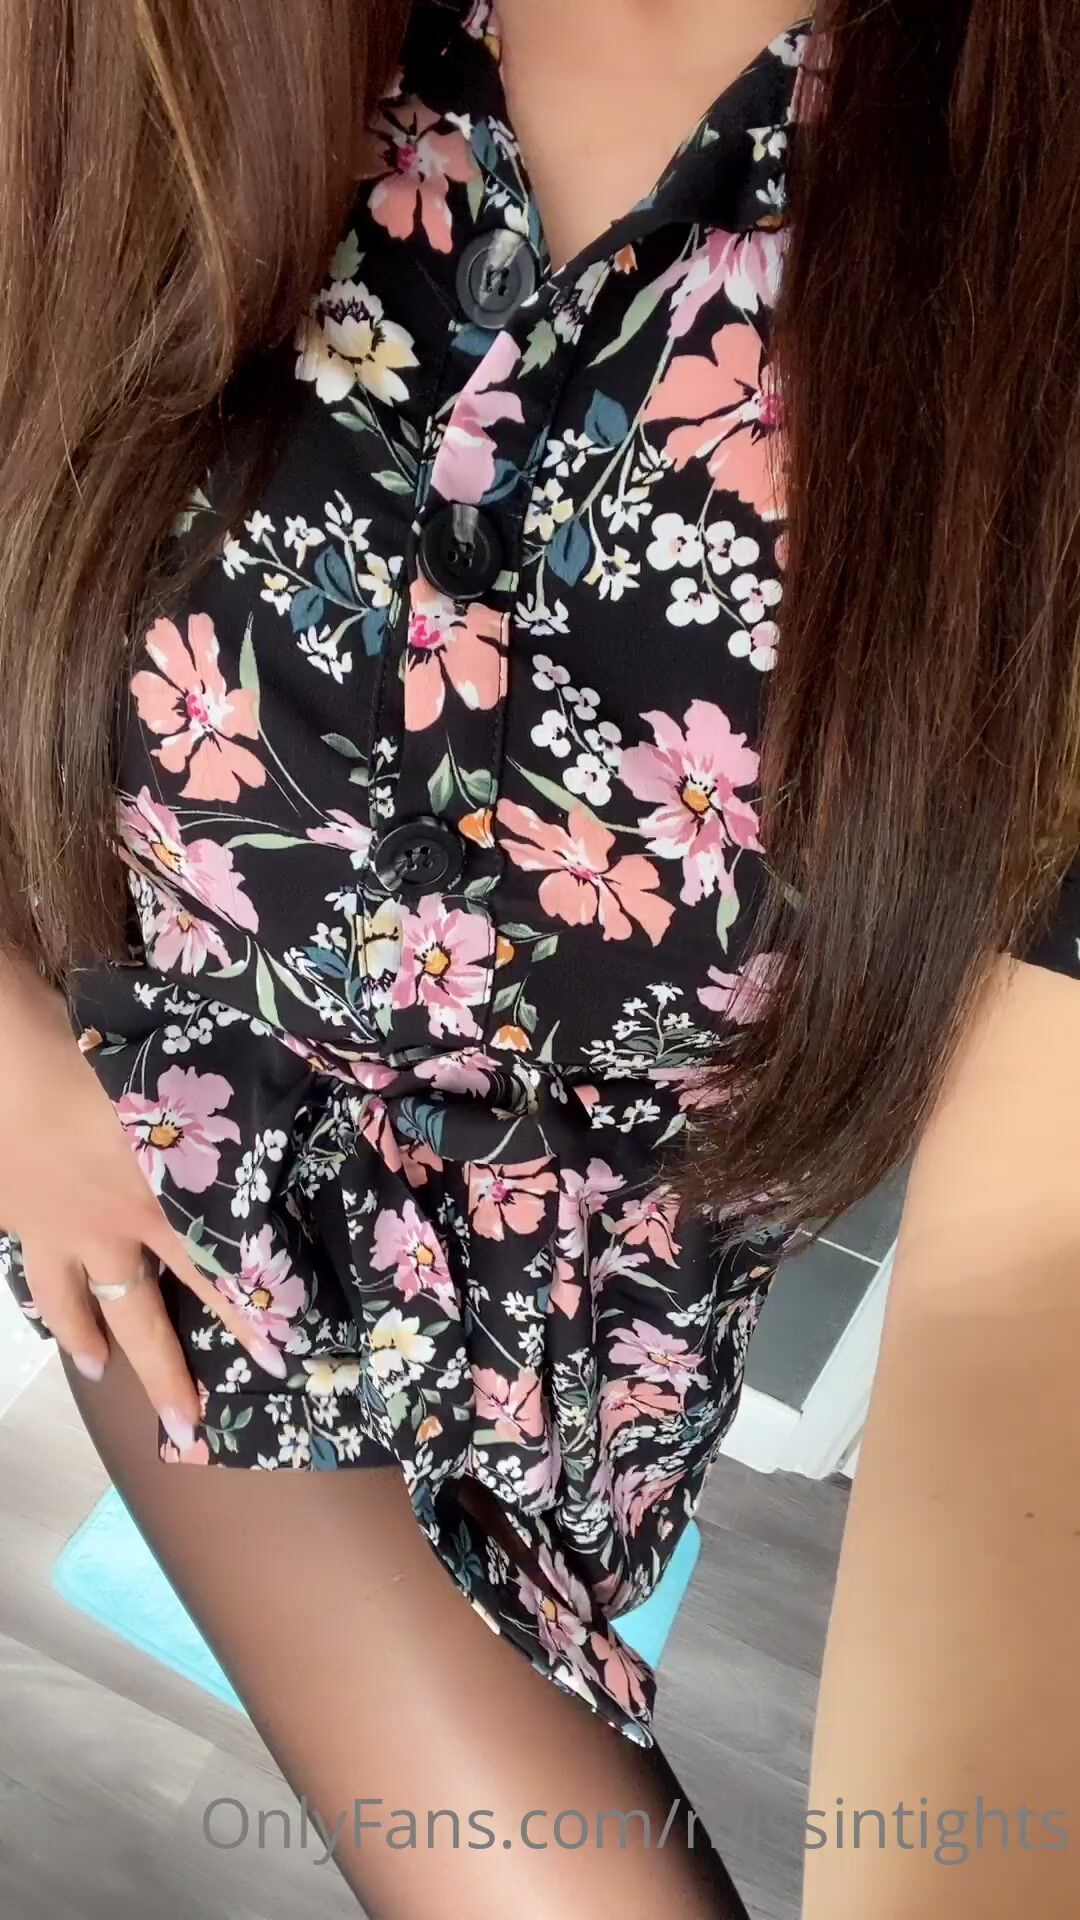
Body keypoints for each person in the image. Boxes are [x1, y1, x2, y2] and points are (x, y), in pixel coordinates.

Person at [0, 1, 1077, 1914]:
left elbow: (1031, 1279)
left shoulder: (1019, 211)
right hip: (198, 1203)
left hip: (607, 1343)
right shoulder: (154, 56)